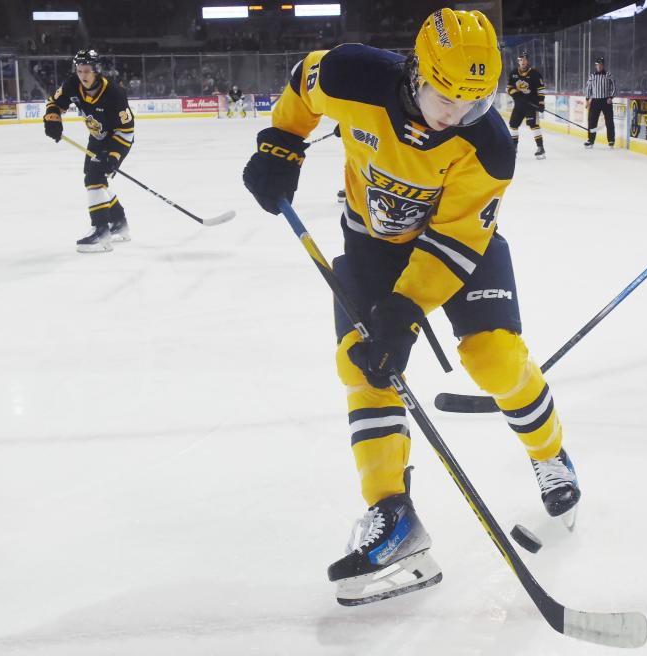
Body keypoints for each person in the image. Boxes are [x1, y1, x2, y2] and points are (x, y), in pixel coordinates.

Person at [242, 8, 580, 606]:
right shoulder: (351, 74)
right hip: (369, 246)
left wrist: (405, 310)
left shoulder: (489, 145)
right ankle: (394, 517)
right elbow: (303, 83)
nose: (454, 113)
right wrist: (282, 142)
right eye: (444, 95)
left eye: (472, 102)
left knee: (495, 360)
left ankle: (550, 453)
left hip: (454, 248)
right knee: (361, 363)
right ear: (416, 69)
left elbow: (455, 242)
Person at [43, 49, 134, 253]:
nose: (82, 75)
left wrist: (113, 156)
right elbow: (54, 102)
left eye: (86, 71)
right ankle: (118, 222)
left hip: (116, 139)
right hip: (96, 138)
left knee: (94, 177)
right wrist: (53, 119)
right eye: (79, 70)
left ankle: (101, 231)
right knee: (94, 179)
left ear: (96, 71)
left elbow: (127, 131)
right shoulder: (72, 84)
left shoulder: (114, 94)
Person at [506, 51, 546, 159]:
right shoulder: (513, 73)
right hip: (518, 106)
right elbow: (508, 88)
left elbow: (541, 89)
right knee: (513, 125)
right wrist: (516, 93)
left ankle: (540, 147)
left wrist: (541, 103)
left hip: (531, 106)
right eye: (521, 59)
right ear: (518, 61)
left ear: (528, 61)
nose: (523, 61)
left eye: (525, 59)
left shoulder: (535, 74)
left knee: (534, 126)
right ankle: (514, 147)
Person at [584, 56, 616, 148]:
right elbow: (588, 88)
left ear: (603, 65)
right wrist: (587, 100)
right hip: (595, 101)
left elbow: (614, 87)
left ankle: (611, 141)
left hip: (606, 101)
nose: (598, 66)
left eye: (600, 65)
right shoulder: (592, 76)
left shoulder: (608, 75)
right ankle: (591, 141)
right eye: (597, 65)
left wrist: (611, 97)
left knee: (609, 121)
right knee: (592, 121)